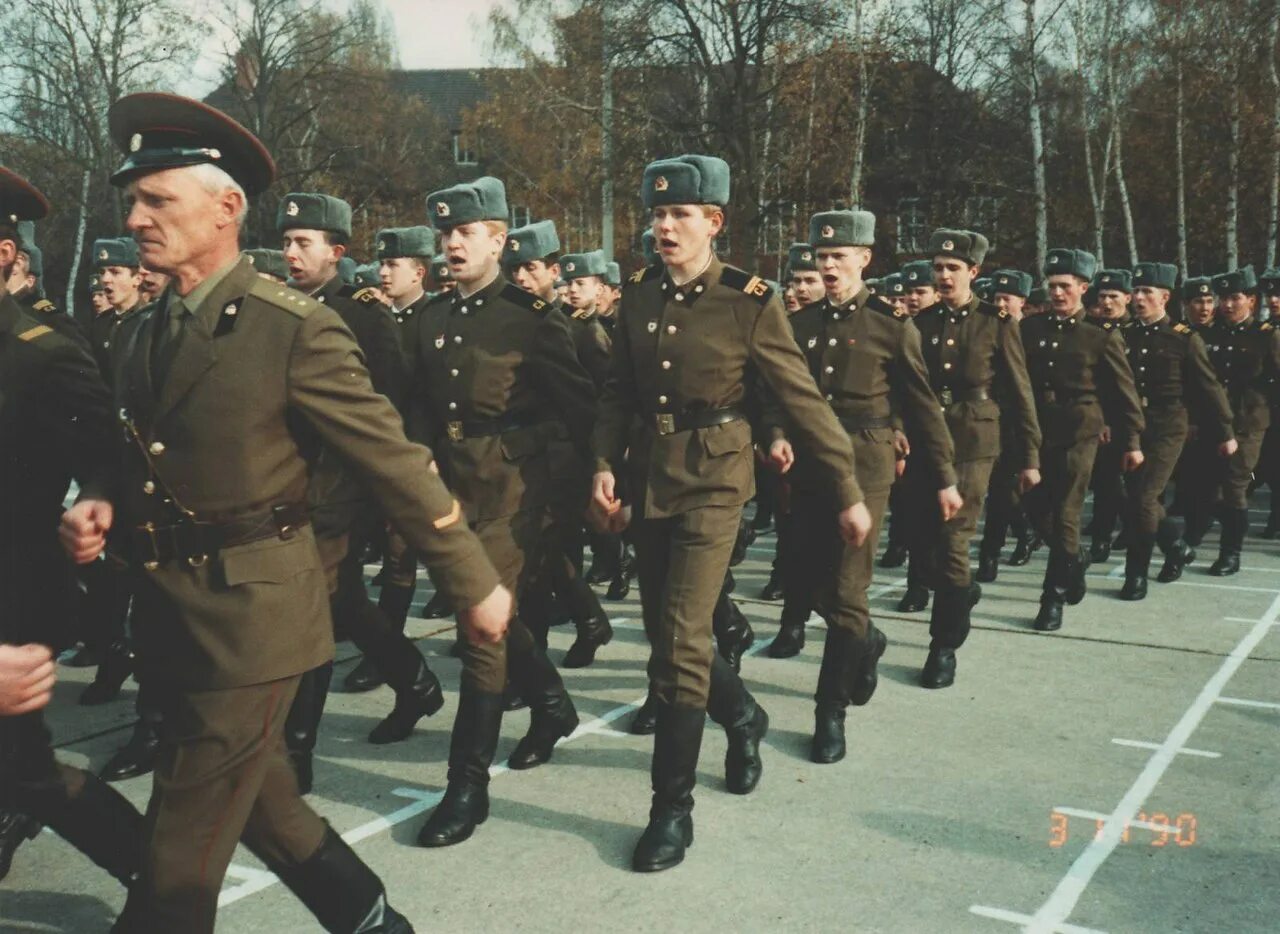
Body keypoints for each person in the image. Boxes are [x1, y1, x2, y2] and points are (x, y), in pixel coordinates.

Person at [60, 92, 511, 933]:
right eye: (133, 199)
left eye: (157, 199)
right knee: (269, 808)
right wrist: (99, 497)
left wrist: (472, 580)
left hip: (253, 620)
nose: (136, 218)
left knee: (175, 867)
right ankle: (377, 923)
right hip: (173, 611)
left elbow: (391, 456)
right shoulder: (147, 327)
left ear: (226, 209)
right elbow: (136, 450)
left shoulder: (291, 329)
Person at [593, 156, 871, 873]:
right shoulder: (638, 293)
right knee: (665, 634)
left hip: (716, 479)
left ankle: (670, 811)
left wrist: (846, 489)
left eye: (680, 215)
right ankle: (744, 715)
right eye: (657, 215)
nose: (664, 227)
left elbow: (802, 399)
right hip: (650, 476)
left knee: (682, 638)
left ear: (713, 222)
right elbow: (617, 392)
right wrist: (602, 464)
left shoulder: (749, 301)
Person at [409, 176, 593, 849]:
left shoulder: (532, 319)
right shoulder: (429, 318)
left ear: (497, 241)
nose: (453, 243)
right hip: (451, 488)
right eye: (445, 233)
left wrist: (582, 494)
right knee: (491, 612)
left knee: (479, 631)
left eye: (467, 233)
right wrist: (422, 452)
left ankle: (467, 787)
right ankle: (551, 706)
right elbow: (417, 406)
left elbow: (580, 413)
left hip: (516, 492)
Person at [0, 165, 144, 893]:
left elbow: (107, 457)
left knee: (26, 773)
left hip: (10, 606)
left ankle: (164, 883)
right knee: (25, 776)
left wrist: (93, 499)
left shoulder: (43, 352)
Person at [765, 211, 960, 686]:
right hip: (810, 462)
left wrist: (945, 478)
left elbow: (922, 407)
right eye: (822, 256)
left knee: (849, 585)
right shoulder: (798, 323)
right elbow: (774, 391)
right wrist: (775, 433)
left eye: (839, 256)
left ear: (864, 259)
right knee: (810, 580)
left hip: (866, 461)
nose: (828, 266)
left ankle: (830, 708)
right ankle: (865, 640)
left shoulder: (891, 325)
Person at [907, 230, 1040, 687]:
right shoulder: (919, 323)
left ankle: (943, 647)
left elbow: (1021, 394)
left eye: (953, 269)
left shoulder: (995, 322)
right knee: (920, 544)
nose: (943, 276)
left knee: (952, 540)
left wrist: (1029, 456)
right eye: (938, 268)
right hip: (927, 439)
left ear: (973, 273)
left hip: (974, 442)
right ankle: (962, 592)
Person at [1020, 249, 1144, 631]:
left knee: (1067, 513)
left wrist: (1134, 440)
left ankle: (1052, 598)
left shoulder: (1100, 337)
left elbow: (1124, 393)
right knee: (1033, 507)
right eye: (1052, 286)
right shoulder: (1029, 329)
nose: (1057, 294)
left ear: (1083, 288)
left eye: (1065, 287)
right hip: (1037, 428)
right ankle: (1074, 561)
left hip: (1080, 430)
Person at [1116, 262, 1235, 598]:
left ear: (1164, 297)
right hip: (1133, 427)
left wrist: (1226, 431)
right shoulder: (1125, 334)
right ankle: (1176, 547)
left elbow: (1209, 387)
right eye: (1136, 291)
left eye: (1146, 292)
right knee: (1139, 499)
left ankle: (1135, 574)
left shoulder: (1184, 338)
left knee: (1144, 498)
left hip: (1169, 424)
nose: (1138, 298)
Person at [1199, 266, 1280, 575]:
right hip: (1214, 422)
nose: (1228, 305)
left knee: (1234, 484)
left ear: (1250, 299)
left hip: (1249, 422)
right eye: (1224, 298)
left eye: (1235, 298)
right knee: (1205, 487)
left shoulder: (1267, 336)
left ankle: (1230, 554)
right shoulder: (1211, 334)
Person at [977, 269, 1041, 580]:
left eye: (1008, 298)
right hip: (992, 420)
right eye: (997, 298)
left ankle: (1014, 538)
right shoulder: (988, 329)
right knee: (998, 491)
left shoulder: (1031, 334)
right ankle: (995, 550)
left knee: (1006, 491)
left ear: (1023, 302)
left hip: (1022, 424)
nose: (1001, 304)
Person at [1085, 268, 1134, 563]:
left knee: (1136, 484)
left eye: (1113, 296)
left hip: (1136, 417)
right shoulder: (1091, 329)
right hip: (1103, 418)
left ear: (1127, 298)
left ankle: (1132, 528)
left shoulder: (1137, 330)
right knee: (1105, 480)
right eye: (1102, 296)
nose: (1107, 302)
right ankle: (1101, 538)